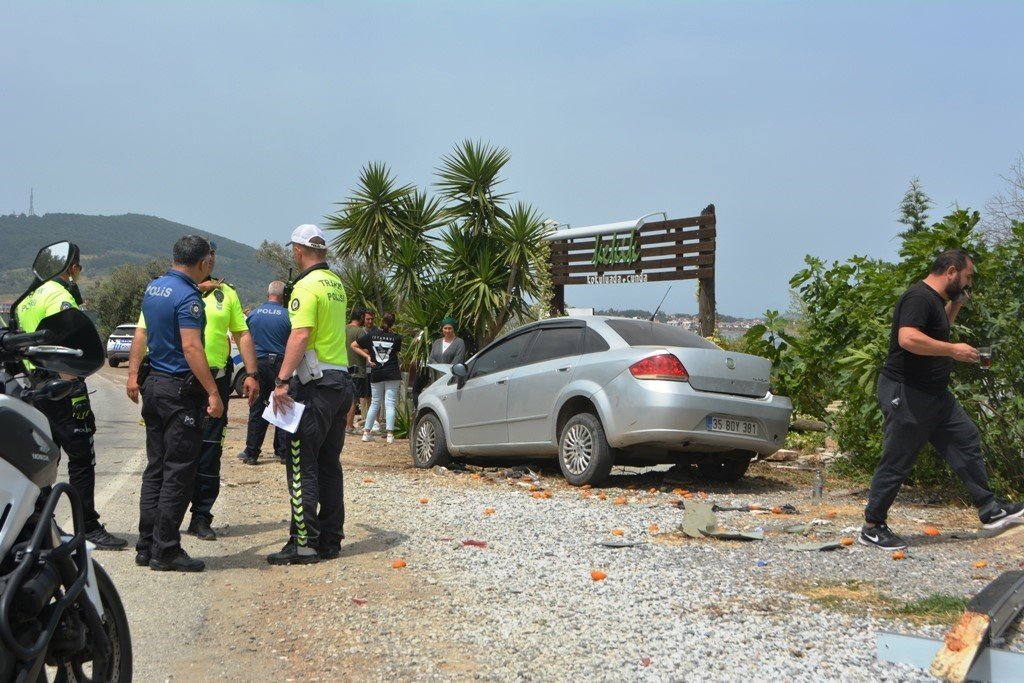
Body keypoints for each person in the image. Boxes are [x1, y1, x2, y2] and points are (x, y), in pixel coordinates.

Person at [860, 249, 1024, 550]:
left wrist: (956, 305)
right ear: (951, 271)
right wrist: (953, 350)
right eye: (967, 277)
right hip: (907, 391)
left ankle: (990, 509)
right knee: (898, 458)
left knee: (965, 437)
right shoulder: (918, 298)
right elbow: (907, 339)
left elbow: (938, 331)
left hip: (934, 394)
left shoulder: (935, 301)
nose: (968, 282)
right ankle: (872, 526)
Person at [15, 243, 128, 550]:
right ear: (72, 268)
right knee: (80, 458)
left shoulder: (27, 299)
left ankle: (38, 525)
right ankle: (87, 525)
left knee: (42, 459)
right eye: (79, 269)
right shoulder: (57, 295)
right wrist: (76, 389)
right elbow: (68, 343)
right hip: (61, 387)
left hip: (33, 388)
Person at [126, 235, 223, 572]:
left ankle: (146, 544)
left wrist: (133, 374)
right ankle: (165, 550)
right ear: (203, 263)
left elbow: (145, 334)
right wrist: (213, 391)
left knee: (156, 467)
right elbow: (192, 348)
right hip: (179, 392)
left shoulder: (155, 288)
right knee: (179, 471)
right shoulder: (189, 297)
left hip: (154, 386)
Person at [268, 224, 354, 565]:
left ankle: (304, 544)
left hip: (314, 386)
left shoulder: (306, 285)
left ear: (298, 251)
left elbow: (300, 335)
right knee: (329, 465)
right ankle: (331, 540)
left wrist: (281, 380)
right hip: (340, 382)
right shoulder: (337, 284)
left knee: (302, 465)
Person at [185, 247, 259, 540]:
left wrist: (251, 374)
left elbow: (242, 333)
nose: (211, 261)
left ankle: (201, 517)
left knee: (210, 451)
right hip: (177, 384)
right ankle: (164, 520)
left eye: (214, 256)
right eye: (207, 256)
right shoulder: (174, 289)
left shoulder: (226, 294)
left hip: (216, 382)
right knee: (174, 452)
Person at [238, 280, 291, 465]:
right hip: (281, 365)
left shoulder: (254, 314)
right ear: (284, 296)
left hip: (259, 364)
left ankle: (251, 452)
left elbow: (245, 339)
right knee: (282, 406)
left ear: (267, 293)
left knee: (257, 407)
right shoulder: (289, 316)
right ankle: (284, 452)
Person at [352, 312, 403, 445]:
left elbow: (354, 345)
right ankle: (390, 435)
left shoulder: (372, 336)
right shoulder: (396, 338)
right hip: (392, 372)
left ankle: (366, 433)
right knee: (390, 403)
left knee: (375, 403)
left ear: (381, 321)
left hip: (377, 372)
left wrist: (367, 357)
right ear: (393, 323)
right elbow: (395, 351)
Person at [345, 306, 367, 435]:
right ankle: (349, 426)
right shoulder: (360, 332)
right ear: (362, 317)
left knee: (343, 398)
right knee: (354, 399)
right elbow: (366, 350)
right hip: (357, 370)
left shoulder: (343, 329)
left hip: (342, 367)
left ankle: (342, 425)